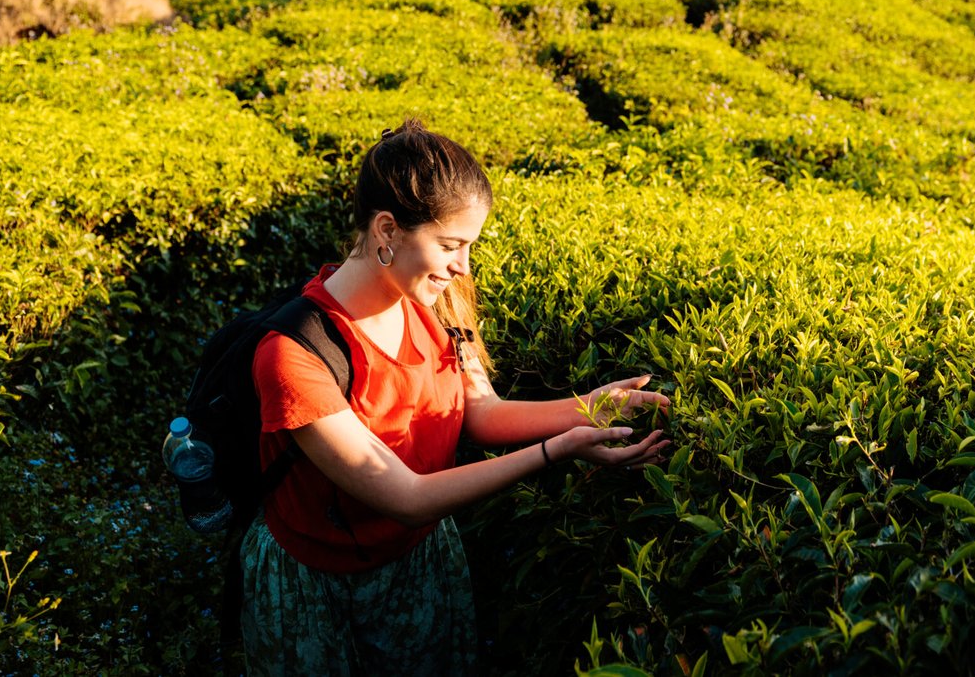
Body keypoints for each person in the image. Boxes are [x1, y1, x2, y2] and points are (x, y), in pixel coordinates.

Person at [242, 119, 669, 675]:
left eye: (469, 245)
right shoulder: (294, 355)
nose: (462, 266)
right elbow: (407, 496)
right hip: (316, 583)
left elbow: (479, 413)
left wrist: (587, 408)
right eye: (450, 245)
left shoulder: (435, 298)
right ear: (387, 230)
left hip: (418, 557)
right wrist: (556, 450)